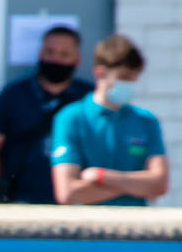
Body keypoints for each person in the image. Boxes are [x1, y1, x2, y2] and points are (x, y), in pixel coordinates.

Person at [0, 23, 91, 203]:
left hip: (76, 203)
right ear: (40, 53)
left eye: (64, 54)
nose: (55, 60)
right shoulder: (14, 95)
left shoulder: (87, 99)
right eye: (50, 52)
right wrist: (9, 182)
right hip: (23, 201)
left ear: (77, 59)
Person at [49, 34, 169, 207]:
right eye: (123, 77)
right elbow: (68, 192)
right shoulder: (71, 118)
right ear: (100, 72)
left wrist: (102, 177)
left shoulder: (145, 120)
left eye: (134, 78)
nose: (130, 84)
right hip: (88, 228)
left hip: (136, 227)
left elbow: (160, 184)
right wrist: (135, 185)